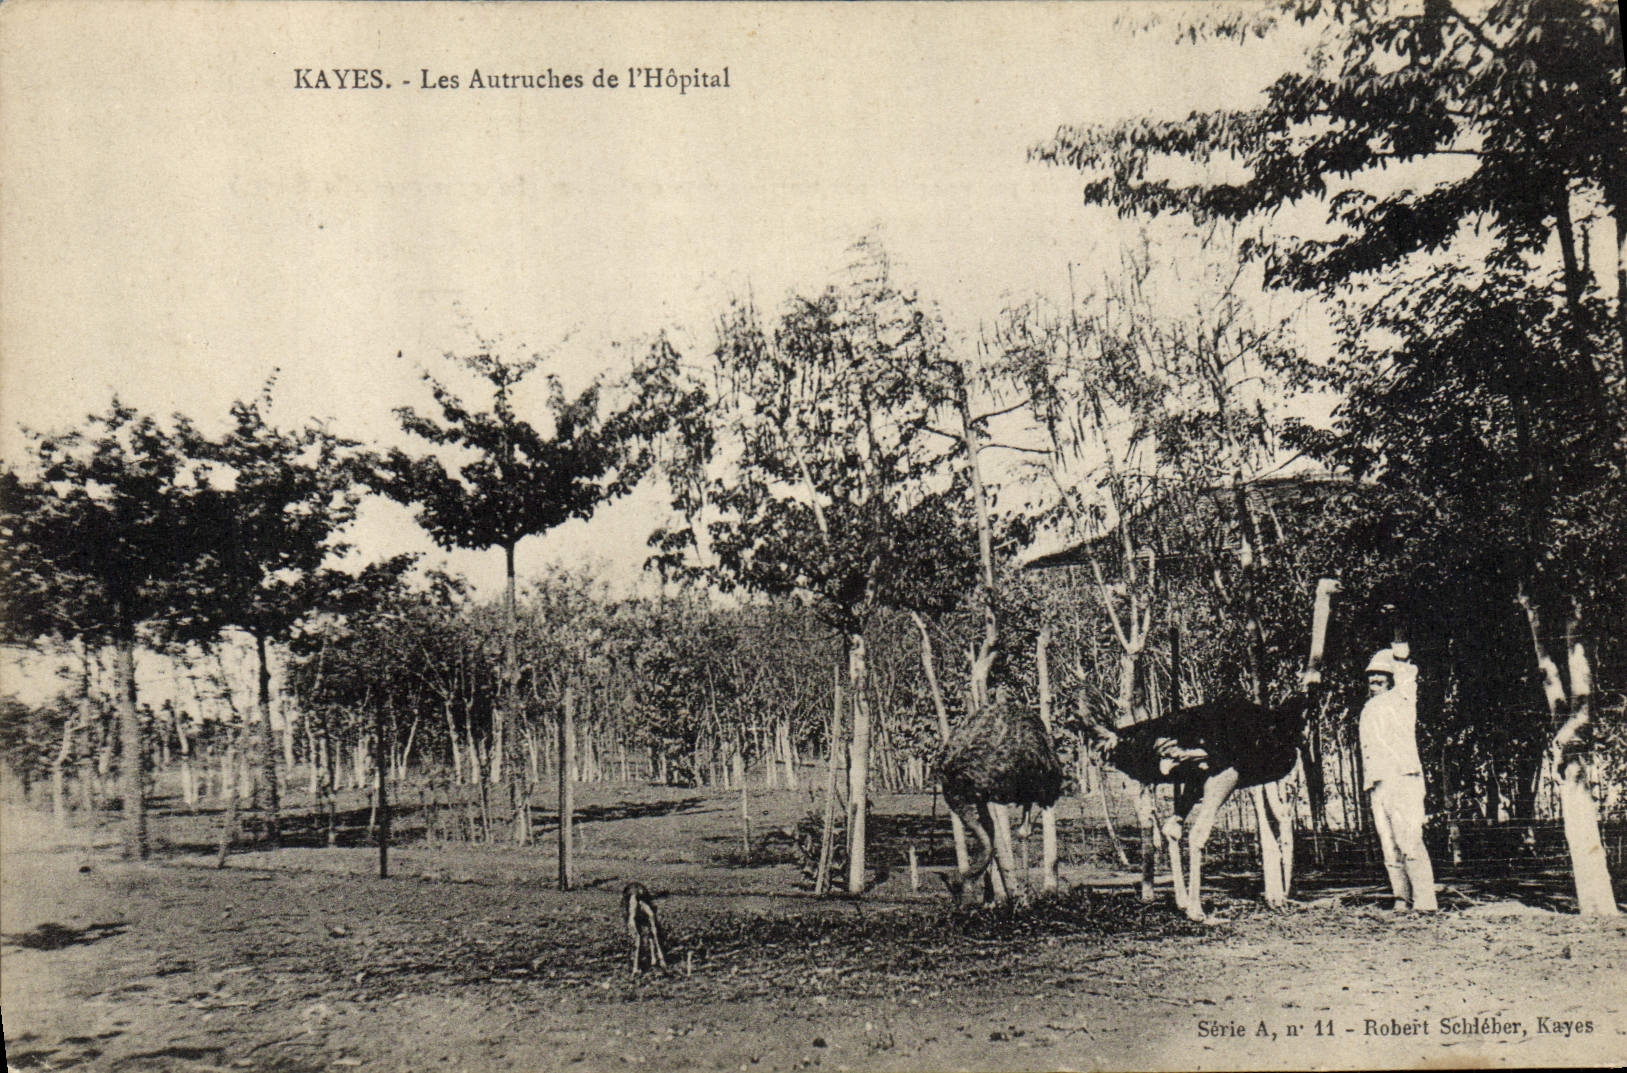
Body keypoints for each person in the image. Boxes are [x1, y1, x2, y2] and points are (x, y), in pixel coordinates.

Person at [1359, 642, 1438, 912]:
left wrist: (1400, 647)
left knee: (1409, 840)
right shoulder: (1368, 709)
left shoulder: (1402, 699)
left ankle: (1425, 902)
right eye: (1371, 676)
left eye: (1381, 675)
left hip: (1403, 780)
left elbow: (1407, 673)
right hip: (1378, 783)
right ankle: (1401, 898)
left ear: (1393, 678)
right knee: (1389, 846)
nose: (1374, 680)